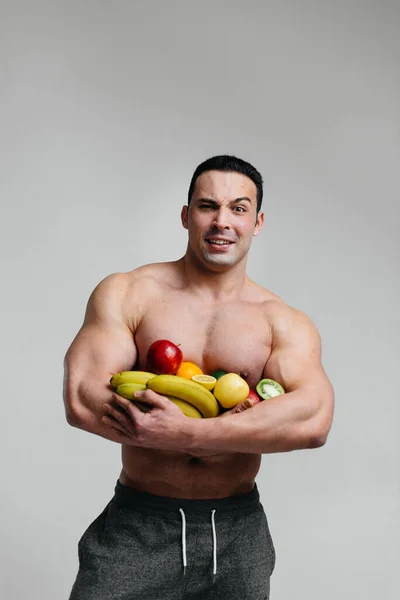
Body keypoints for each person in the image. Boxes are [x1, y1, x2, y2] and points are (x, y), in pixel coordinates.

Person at [63, 155, 334, 600]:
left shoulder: (281, 320)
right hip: (140, 524)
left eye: (239, 208)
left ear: (258, 222)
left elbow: (314, 419)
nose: (222, 221)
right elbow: (82, 395)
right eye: (208, 206)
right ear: (187, 215)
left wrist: (188, 433)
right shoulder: (130, 292)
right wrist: (234, 430)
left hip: (237, 533)